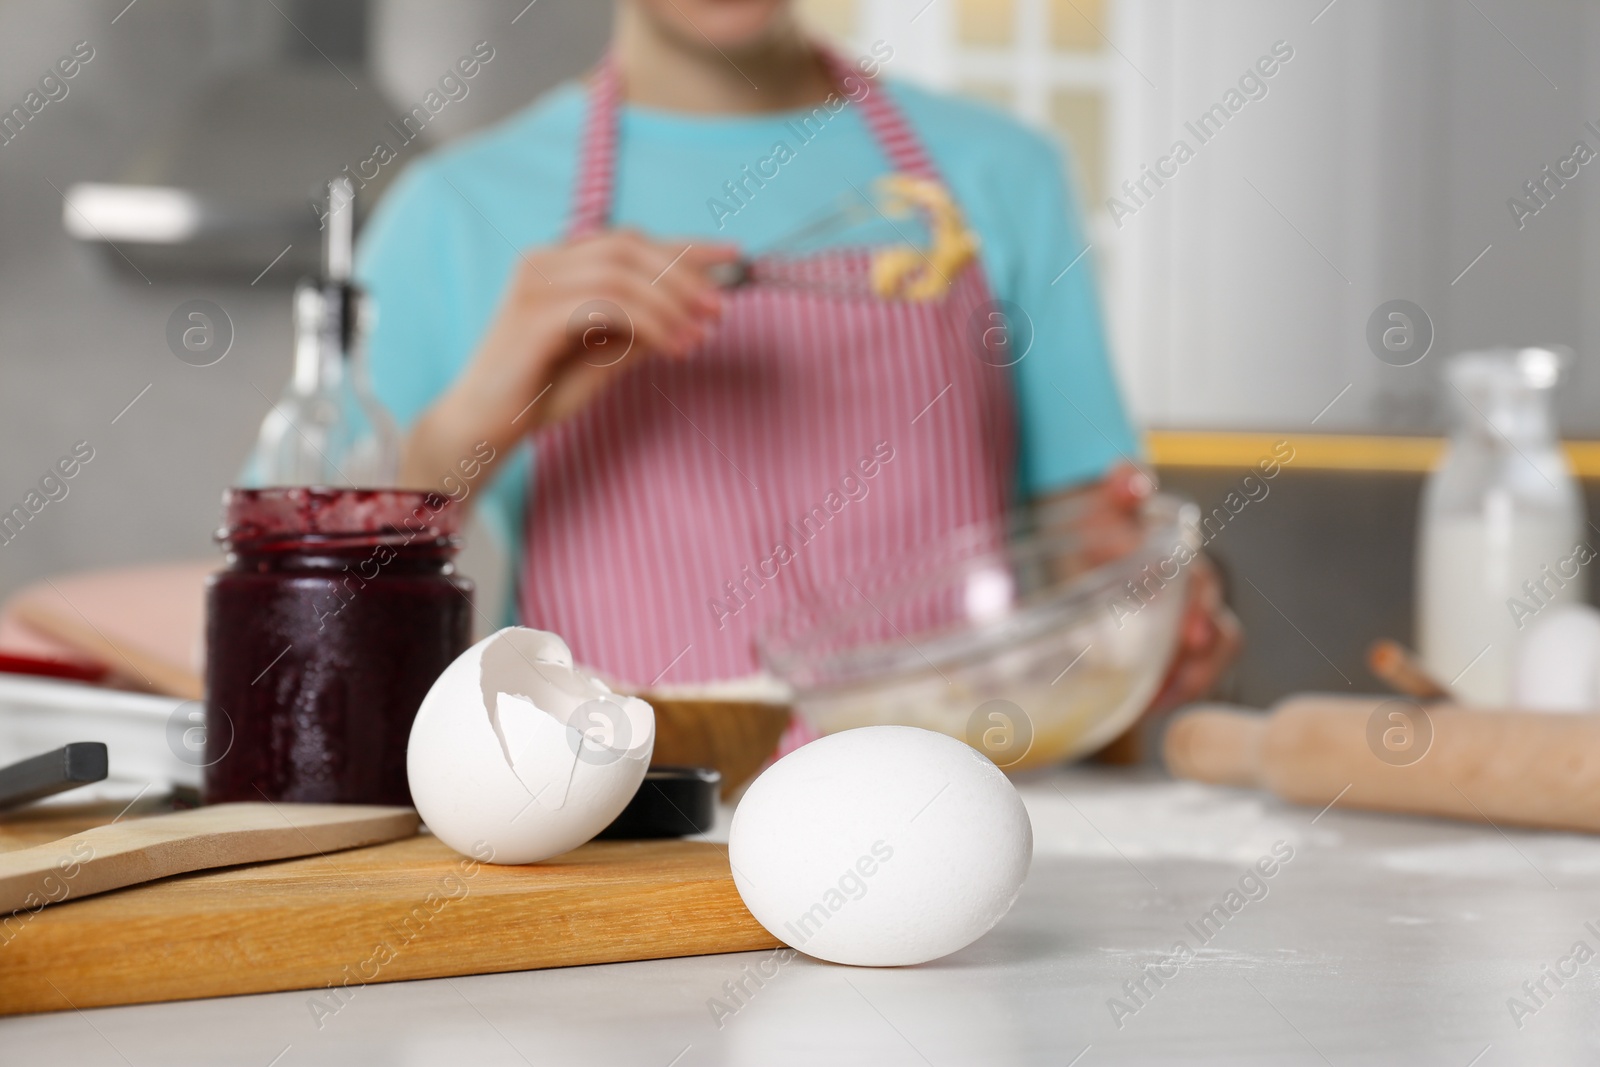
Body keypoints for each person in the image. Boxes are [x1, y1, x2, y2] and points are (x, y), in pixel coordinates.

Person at [356, 0, 1239, 745]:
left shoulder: (1004, 173)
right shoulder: (455, 210)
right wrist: (466, 430)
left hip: (950, 792)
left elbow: (1087, 541)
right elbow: (322, 615)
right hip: (613, 827)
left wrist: (1151, 595)